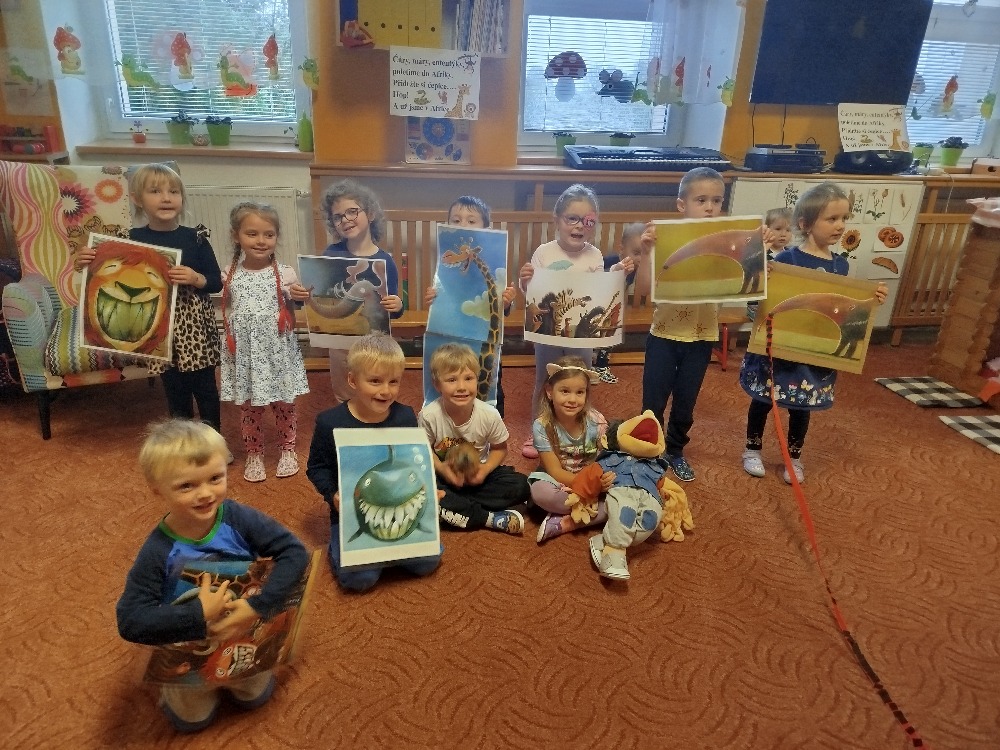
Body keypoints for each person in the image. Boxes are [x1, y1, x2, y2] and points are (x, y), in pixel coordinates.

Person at [116, 419, 309, 733]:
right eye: (186, 486)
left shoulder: (238, 518)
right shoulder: (157, 551)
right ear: (156, 488)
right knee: (192, 720)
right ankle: (173, 692)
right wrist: (198, 614)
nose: (205, 494)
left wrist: (258, 606)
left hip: (244, 629)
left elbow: (294, 552)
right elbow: (129, 620)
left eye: (215, 478)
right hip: (189, 643)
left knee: (255, 698)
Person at [739, 182, 887, 483]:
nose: (840, 226)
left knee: (800, 405)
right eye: (831, 219)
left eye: (844, 218)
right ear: (806, 224)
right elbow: (764, 297)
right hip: (780, 348)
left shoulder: (840, 267)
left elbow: (846, 306)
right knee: (764, 399)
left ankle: (793, 457)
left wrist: (871, 299)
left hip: (813, 352)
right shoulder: (787, 260)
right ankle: (752, 449)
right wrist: (766, 274)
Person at [73, 164, 225, 439]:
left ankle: (213, 442)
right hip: (157, 328)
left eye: (173, 192)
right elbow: (101, 273)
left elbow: (216, 281)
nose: (166, 198)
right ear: (137, 199)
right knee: (175, 392)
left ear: (182, 197)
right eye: (155, 191)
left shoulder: (196, 239)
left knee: (205, 390)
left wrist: (196, 278)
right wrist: (83, 261)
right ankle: (182, 445)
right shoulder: (129, 239)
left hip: (195, 329)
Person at [306, 332, 441, 591]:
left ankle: (388, 554)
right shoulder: (329, 422)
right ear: (352, 380)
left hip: (401, 506)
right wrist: (333, 494)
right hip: (349, 513)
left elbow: (414, 462)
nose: (385, 391)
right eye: (375, 381)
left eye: (394, 381)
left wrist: (428, 491)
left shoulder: (405, 417)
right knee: (360, 580)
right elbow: (316, 467)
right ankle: (343, 550)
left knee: (427, 563)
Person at [518, 184, 634, 458]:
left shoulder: (594, 255)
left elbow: (600, 292)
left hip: (582, 334)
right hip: (548, 333)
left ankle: (577, 430)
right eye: (572, 218)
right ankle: (539, 430)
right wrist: (525, 281)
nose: (579, 226)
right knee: (545, 378)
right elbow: (532, 294)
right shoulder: (544, 252)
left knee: (581, 377)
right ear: (557, 220)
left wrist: (616, 273)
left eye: (588, 221)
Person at [635, 167, 727, 482]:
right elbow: (643, 289)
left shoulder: (725, 240)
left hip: (701, 338)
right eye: (701, 200)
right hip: (664, 334)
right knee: (653, 399)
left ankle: (675, 449)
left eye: (717, 200)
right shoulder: (664, 239)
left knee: (686, 400)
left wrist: (760, 247)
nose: (710, 207)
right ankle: (649, 448)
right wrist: (646, 251)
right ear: (681, 204)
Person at [219, 202, 311, 483]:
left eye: (268, 234)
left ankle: (287, 449)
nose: (261, 241)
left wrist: (300, 296)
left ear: (276, 237)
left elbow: (296, 303)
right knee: (249, 407)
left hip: (277, 351)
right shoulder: (229, 273)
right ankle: (254, 453)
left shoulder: (286, 273)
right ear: (236, 236)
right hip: (246, 353)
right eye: (252, 234)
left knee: (284, 403)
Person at [418, 342, 531, 534]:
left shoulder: (489, 414)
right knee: (421, 489)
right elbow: (424, 450)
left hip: (478, 477)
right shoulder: (428, 416)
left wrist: (484, 471)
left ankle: (456, 509)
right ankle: (488, 518)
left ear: (477, 380)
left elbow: (500, 449)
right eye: (451, 380)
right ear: (437, 385)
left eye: (468, 378)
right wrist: (443, 470)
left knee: (521, 487)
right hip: (445, 477)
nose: (461, 387)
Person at [423, 195, 516, 415]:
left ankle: (494, 421)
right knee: (449, 375)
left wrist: (506, 302)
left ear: (486, 228)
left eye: (471, 221)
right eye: (456, 220)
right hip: (451, 336)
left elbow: (501, 310)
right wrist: (432, 298)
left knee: (490, 380)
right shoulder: (447, 267)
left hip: (485, 339)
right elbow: (443, 301)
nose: (463, 224)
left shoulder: (494, 261)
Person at [321, 179, 404, 403]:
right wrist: (304, 295)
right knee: (344, 390)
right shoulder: (330, 254)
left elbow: (393, 307)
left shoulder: (385, 261)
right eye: (337, 217)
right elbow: (322, 293)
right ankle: (346, 416)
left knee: (375, 385)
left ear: (370, 214)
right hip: (341, 340)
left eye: (352, 211)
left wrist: (397, 305)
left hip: (374, 341)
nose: (345, 220)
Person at [528, 356, 612, 544]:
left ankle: (566, 523)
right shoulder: (542, 425)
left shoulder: (596, 421)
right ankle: (591, 512)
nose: (572, 399)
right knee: (540, 493)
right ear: (550, 391)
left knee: (623, 493)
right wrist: (589, 487)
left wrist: (602, 480)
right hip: (559, 481)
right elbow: (554, 470)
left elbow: (606, 458)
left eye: (580, 392)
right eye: (565, 391)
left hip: (592, 480)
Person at [592, 222, 644, 385]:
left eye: (645, 253)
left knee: (610, 336)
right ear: (622, 249)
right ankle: (590, 364)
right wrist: (615, 271)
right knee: (594, 336)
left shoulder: (636, 267)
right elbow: (594, 278)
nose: (640, 258)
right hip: (595, 306)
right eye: (636, 252)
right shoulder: (608, 261)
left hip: (612, 308)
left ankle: (601, 365)